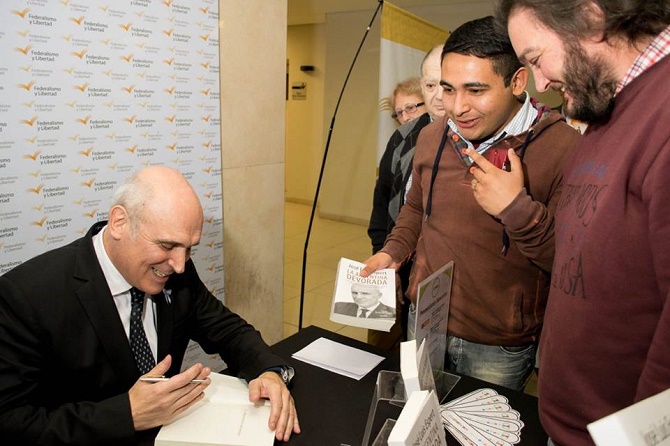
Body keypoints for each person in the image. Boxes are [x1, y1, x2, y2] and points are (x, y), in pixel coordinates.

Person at [0, 166, 300, 445]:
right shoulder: (25, 297)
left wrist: (268, 371)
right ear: (119, 222)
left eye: (189, 248)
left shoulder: (175, 271)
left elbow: (227, 330)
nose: (180, 265)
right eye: (167, 246)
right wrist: (126, 414)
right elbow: (11, 421)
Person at [362, 16, 580, 391]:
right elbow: (416, 208)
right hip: (425, 320)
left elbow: (569, 263)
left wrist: (516, 208)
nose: (457, 107)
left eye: (475, 90)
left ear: (516, 82)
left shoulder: (564, 149)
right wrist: (393, 251)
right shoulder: (432, 136)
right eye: (448, 89)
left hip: (497, 344)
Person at [496, 1, 670, 444]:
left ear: (591, 21)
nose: (541, 82)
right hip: (574, 423)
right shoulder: (608, 109)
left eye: (536, 58)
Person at [367, 44, 446, 350]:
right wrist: (384, 254)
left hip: (440, 275)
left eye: (411, 108)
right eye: (398, 112)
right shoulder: (400, 141)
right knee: (390, 347)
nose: (405, 117)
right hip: (398, 260)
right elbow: (382, 205)